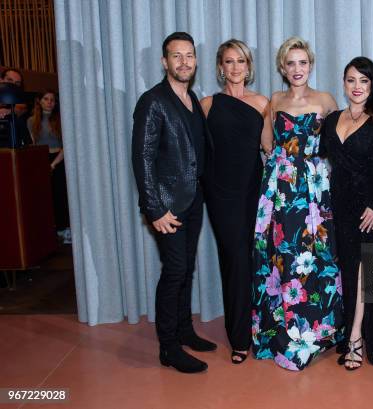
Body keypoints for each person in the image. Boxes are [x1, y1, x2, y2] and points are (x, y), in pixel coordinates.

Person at [251, 36, 344, 371]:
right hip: (279, 190)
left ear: (311, 64)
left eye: (302, 62)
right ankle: (284, 333)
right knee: (282, 257)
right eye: (290, 63)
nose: (297, 69)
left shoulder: (326, 99)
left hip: (314, 189)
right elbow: (266, 144)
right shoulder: (274, 100)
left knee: (316, 256)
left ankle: (317, 332)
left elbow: (342, 141)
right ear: (282, 67)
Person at [132, 31, 216, 374]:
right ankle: (168, 347)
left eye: (189, 55)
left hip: (192, 198)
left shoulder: (192, 99)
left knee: (187, 268)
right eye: (176, 56)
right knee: (176, 270)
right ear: (165, 62)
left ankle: (184, 331)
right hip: (167, 204)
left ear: (195, 61)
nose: (184, 62)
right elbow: (143, 157)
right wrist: (155, 209)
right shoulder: (152, 101)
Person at [321, 57, 373, 370]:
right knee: (344, 272)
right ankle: (360, 330)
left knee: (362, 272)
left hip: (366, 208)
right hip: (336, 204)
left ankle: (355, 340)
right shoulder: (331, 118)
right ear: (344, 83)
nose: (357, 87)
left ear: (372, 85)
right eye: (351, 80)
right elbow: (319, 160)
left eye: (364, 81)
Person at [200, 39, 270, 364]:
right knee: (233, 258)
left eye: (241, 61)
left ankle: (260, 330)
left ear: (248, 65)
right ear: (220, 67)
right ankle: (239, 337)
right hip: (220, 193)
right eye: (229, 61)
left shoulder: (262, 103)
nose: (235, 67)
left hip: (253, 190)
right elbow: (197, 152)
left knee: (253, 259)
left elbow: (270, 151)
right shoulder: (207, 104)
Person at [27, 90, 70, 242]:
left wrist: (53, 164)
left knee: (60, 195)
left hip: (59, 159)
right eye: (46, 99)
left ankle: (63, 229)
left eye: (52, 99)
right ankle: (47, 231)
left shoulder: (60, 119)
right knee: (44, 196)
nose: (49, 102)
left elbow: (66, 146)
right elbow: (33, 143)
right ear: (39, 101)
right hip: (39, 159)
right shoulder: (31, 121)